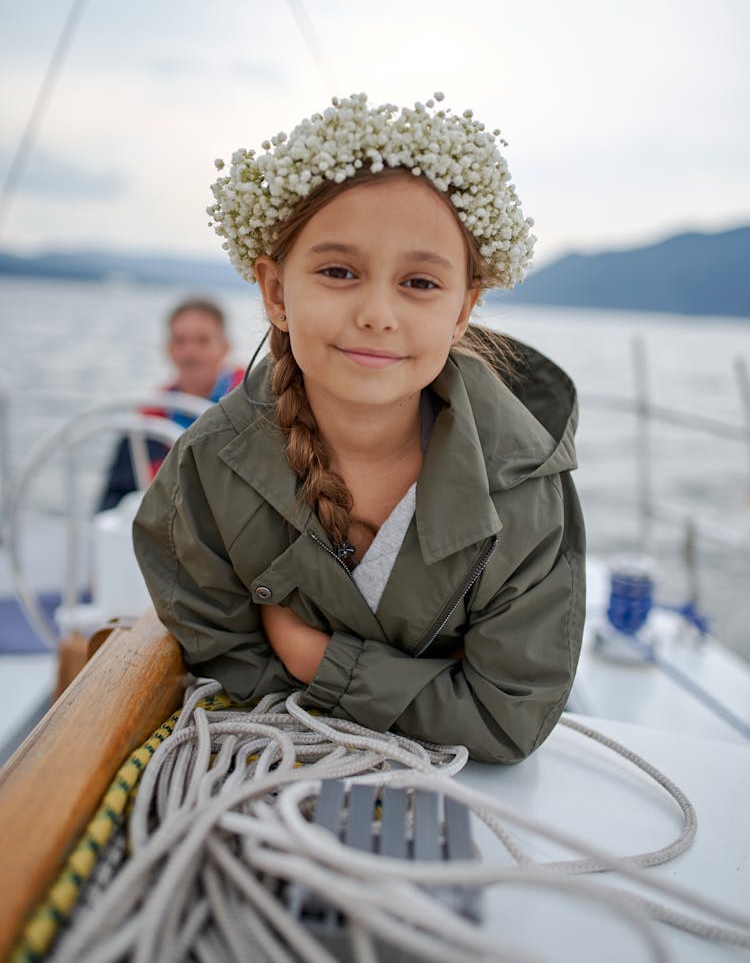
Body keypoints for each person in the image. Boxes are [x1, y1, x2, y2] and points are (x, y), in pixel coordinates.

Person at [133, 92, 585, 764]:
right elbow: (233, 673)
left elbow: (510, 714)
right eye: (339, 271)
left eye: (420, 282)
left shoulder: (522, 487)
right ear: (275, 291)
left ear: (464, 310)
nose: (378, 312)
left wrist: (316, 657)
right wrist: (431, 687)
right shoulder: (205, 477)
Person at [98, 299, 243, 510]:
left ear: (225, 347)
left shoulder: (254, 411)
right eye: (180, 341)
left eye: (202, 341)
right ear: (168, 349)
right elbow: (113, 500)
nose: (190, 352)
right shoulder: (144, 426)